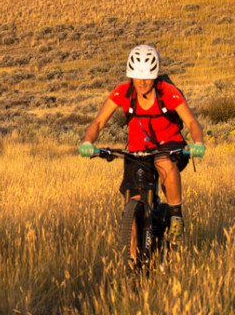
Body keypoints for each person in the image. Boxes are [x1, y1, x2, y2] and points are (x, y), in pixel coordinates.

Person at [78, 44, 205, 238]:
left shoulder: (168, 93)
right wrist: (88, 142)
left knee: (163, 162)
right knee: (133, 200)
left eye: (147, 77)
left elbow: (191, 122)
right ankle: (132, 261)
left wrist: (197, 143)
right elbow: (99, 121)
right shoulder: (123, 92)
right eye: (138, 76)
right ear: (131, 75)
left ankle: (176, 217)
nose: (142, 82)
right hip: (138, 151)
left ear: (154, 76)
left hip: (170, 146)